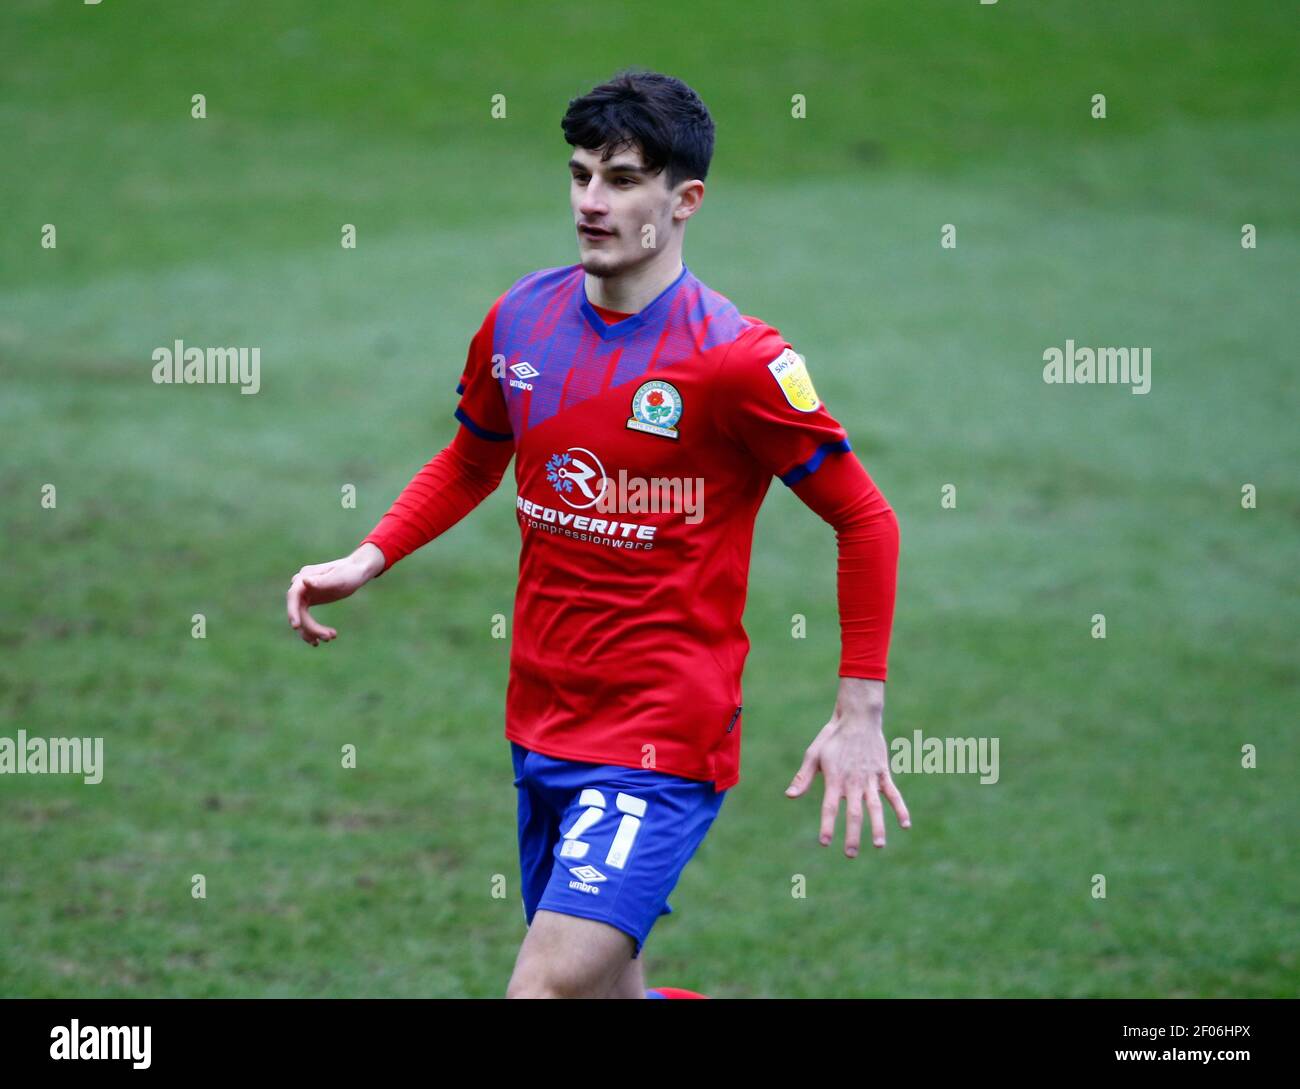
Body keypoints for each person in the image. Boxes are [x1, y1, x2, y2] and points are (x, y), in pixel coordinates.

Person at [285, 68, 909, 999]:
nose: (590, 201)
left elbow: (865, 518)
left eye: (622, 180)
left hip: (661, 732)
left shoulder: (738, 362)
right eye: (580, 175)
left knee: (541, 988)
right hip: (541, 713)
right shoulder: (522, 317)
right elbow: (470, 460)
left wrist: (860, 712)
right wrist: (366, 557)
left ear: (685, 199)